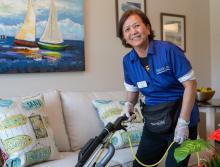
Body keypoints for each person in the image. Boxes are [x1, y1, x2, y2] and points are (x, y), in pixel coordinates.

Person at [119, 9, 199, 167]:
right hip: (155, 122)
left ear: (147, 28)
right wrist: (128, 104)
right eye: (127, 29)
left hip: (181, 120)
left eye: (136, 26)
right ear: (124, 38)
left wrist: (183, 123)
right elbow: (133, 90)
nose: (133, 31)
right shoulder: (128, 61)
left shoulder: (168, 50)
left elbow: (190, 85)